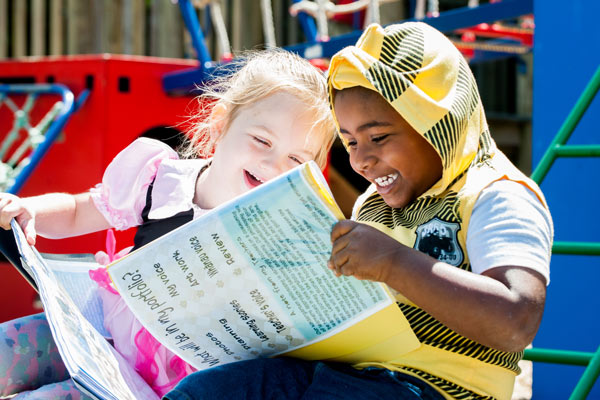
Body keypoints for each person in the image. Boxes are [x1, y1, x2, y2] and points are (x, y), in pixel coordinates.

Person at [164, 22, 552, 400]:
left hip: (441, 387)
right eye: (349, 143)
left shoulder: (495, 194)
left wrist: (394, 262)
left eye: (378, 137)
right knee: (209, 390)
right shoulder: (373, 203)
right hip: (345, 371)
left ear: (441, 120)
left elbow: (517, 320)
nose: (361, 160)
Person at [0, 49, 336, 399]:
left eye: (296, 159)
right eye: (262, 140)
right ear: (221, 125)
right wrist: (28, 209)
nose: (274, 164)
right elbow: (76, 210)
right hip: (99, 336)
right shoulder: (159, 179)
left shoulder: (283, 237)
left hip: (159, 390)